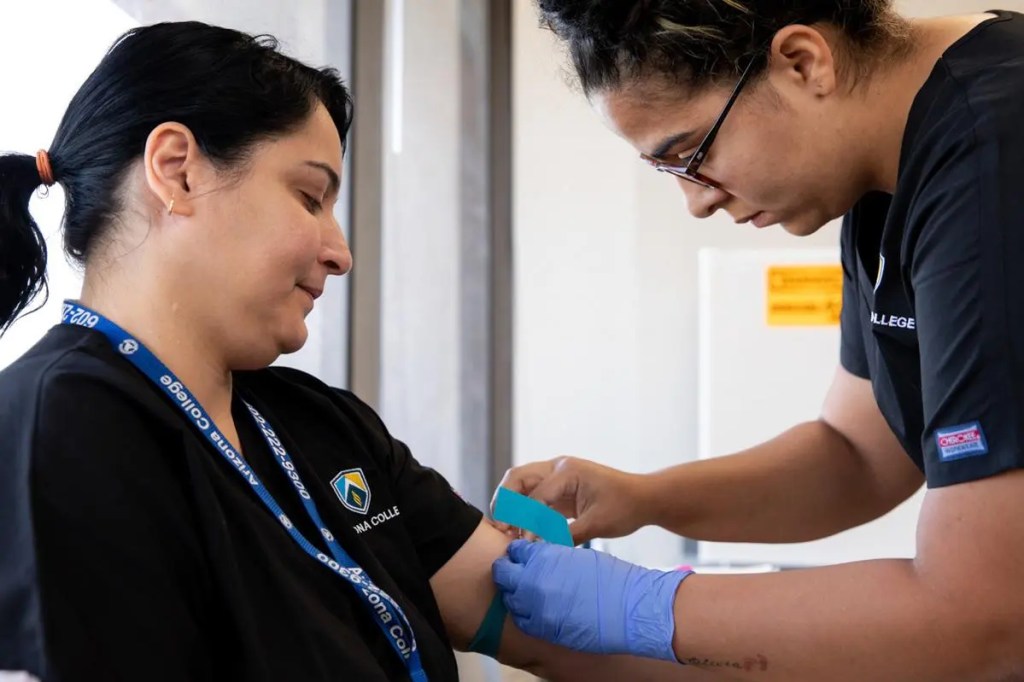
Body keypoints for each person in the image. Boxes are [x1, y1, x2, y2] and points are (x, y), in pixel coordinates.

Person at [0, 20, 720, 682]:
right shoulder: (60, 425)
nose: (340, 252)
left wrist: (783, 631)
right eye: (311, 196)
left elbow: (546, 612)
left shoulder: (315, 423)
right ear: (178, 169)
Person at [491, 2, 1024, 680]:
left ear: (803, 62)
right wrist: (642, 497)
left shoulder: (995, 155)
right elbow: (858, 453)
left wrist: (636, 607)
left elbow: (985, 618)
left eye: (690, 156)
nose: (698, 201)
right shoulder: (882, 171)